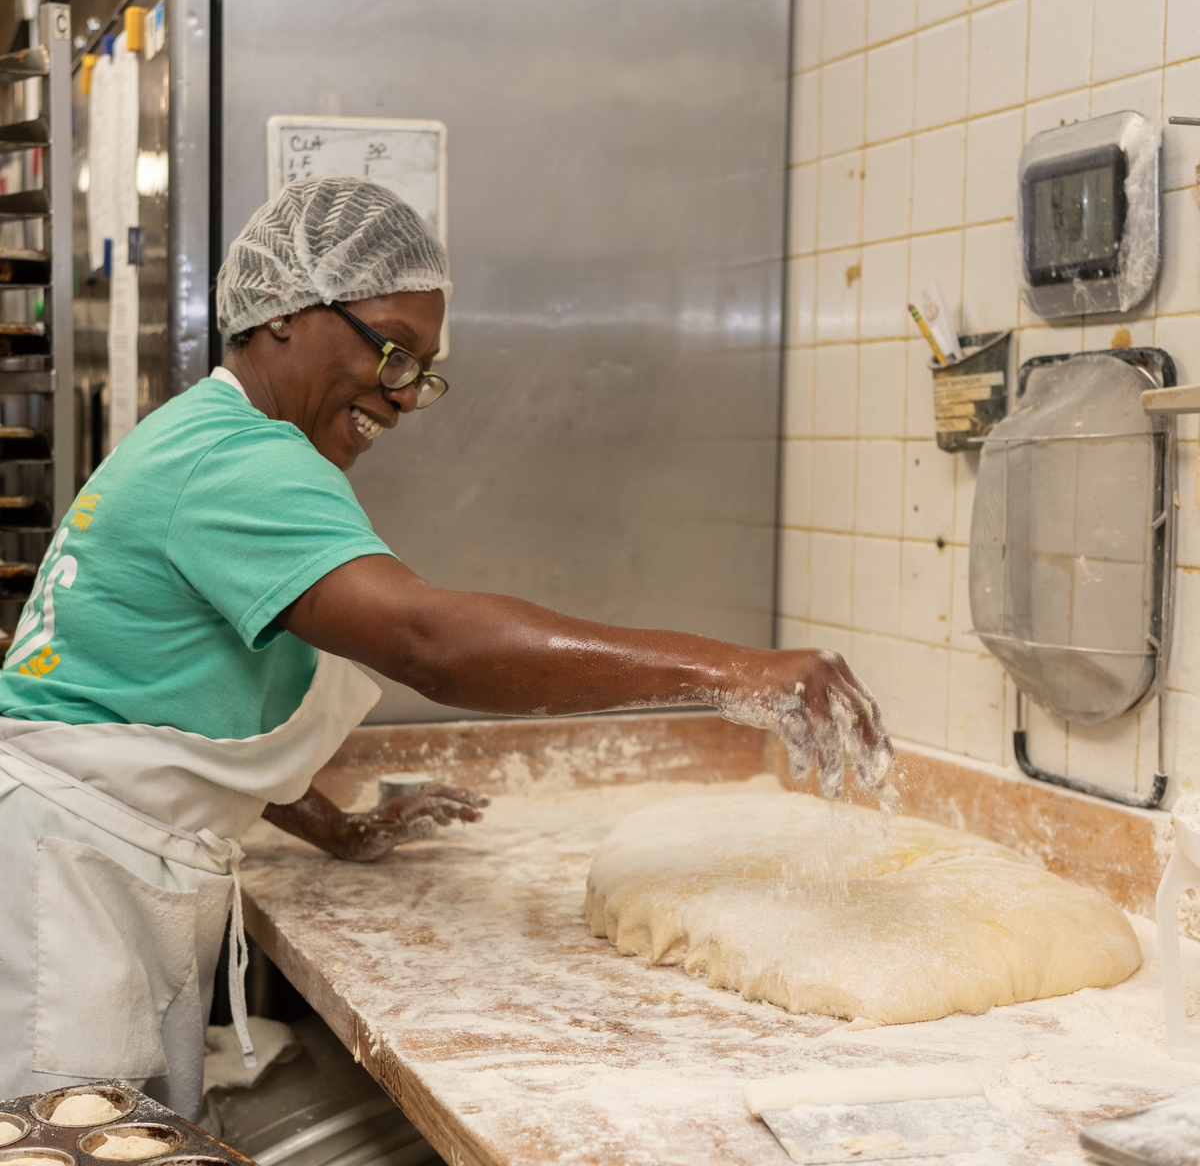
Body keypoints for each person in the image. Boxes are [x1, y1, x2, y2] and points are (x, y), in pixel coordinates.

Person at [0, 177, 891, 1119]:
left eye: (423, 370)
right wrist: (733, 672)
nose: (407, 396)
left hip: (84, 866)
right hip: (65, 910)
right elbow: (433, 643)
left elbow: (166, 699)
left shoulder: (211, 441)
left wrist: (332, 823)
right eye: (392, 352)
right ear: (285, 314)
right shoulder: (239, 461)